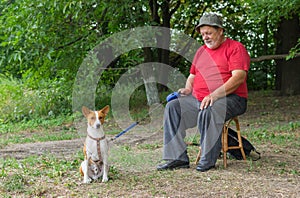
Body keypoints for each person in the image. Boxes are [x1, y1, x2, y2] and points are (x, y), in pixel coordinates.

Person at [157, 13, 250, 172]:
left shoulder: (235, 48)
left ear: (220, 31)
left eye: (209, 33)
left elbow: (238, 77)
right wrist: (187, 89)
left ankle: (207, 160)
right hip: (199, 99)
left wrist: (215, 95)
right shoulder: (201, 51)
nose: (205, 37)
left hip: (232, 98)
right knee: (173, 107)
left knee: (210, 109)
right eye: (202, 34)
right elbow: (192, 76)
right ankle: (177, 158)